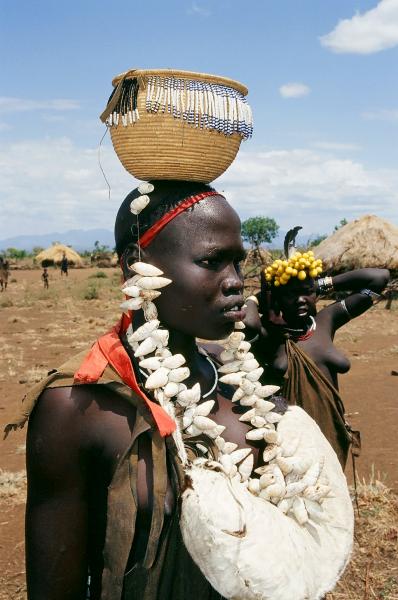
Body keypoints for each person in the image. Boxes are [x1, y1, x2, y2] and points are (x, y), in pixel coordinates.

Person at [7, 182, 353, 600]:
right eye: (211, 261)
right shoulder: (79, 407)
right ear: (139, 265)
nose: (235, 283)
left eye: (238, 263)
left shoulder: (242, 383)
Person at [244, 248, 390, 467]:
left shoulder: (325, 321)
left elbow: (379, 278)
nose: (301, 300)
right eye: (290, 294)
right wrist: (256, 299)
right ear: (277, 299)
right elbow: (248, 323)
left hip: (333, 433)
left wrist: (320, 284)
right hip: (292, 445)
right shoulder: (269, 335)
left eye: (306, 292)